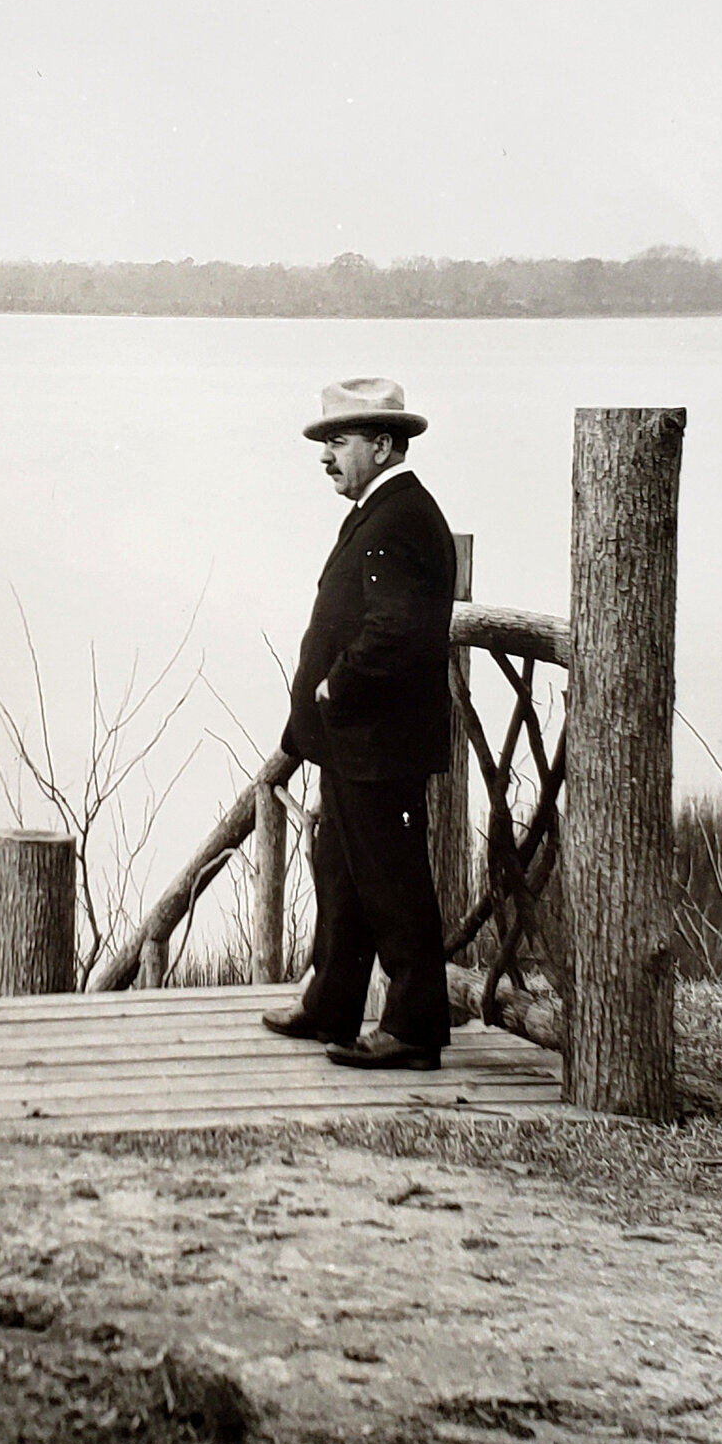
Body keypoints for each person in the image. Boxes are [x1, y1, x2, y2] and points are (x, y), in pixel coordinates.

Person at [260, 378, 458, 1071]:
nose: (325, 457)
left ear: (382, 444)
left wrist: (333, 686)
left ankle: (414, 1025)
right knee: (341, 870)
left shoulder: (398, 517)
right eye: (324, 443)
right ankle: (333, 1002)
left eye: (337, 442)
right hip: (359, 742)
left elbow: (395, 627)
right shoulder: (389, 510)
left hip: (379, 742)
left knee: (391, 879)